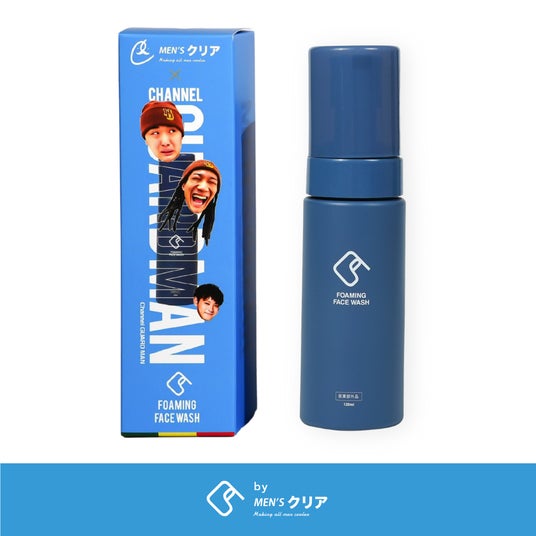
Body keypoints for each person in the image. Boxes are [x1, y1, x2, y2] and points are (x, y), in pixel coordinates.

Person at [158, 159, 221, 245]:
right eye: (196, 178)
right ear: (183, 185)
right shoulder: (160, 223)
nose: (203, 187)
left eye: (212, 182)